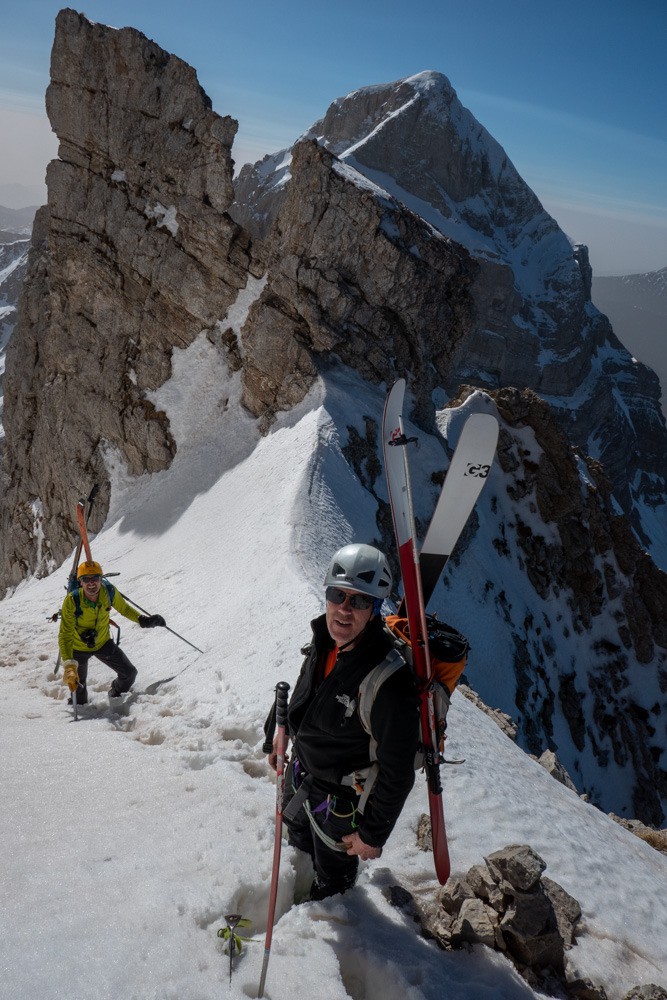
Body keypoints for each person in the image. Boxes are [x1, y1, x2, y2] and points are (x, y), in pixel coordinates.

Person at [265, 543, 419, 901]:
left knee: (333, 884)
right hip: (300, 775)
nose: (344, 610)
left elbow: (398, 772)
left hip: (342, 805)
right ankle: (298, 888)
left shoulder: (388, 681)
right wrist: (276, 734)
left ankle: (321, 925)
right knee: (297, 844)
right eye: (337, 595)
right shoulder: (325, 641)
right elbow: (303, 692)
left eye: (360, 601)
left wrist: (372, 836)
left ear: (376, 608)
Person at [59, 560, 166, 704]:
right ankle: (79, 703)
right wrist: (69, 666)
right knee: (78, 688)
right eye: (86, 579)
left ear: (101, 579)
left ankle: (116, 694)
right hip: (78, 648)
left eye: (95, 578)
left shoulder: (108, 592)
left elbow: (124, 609)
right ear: (80, 582)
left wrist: (143, 620)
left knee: (129, 673)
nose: (91, 583)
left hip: (103, 642)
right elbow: (65, 635)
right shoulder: (72, 600)